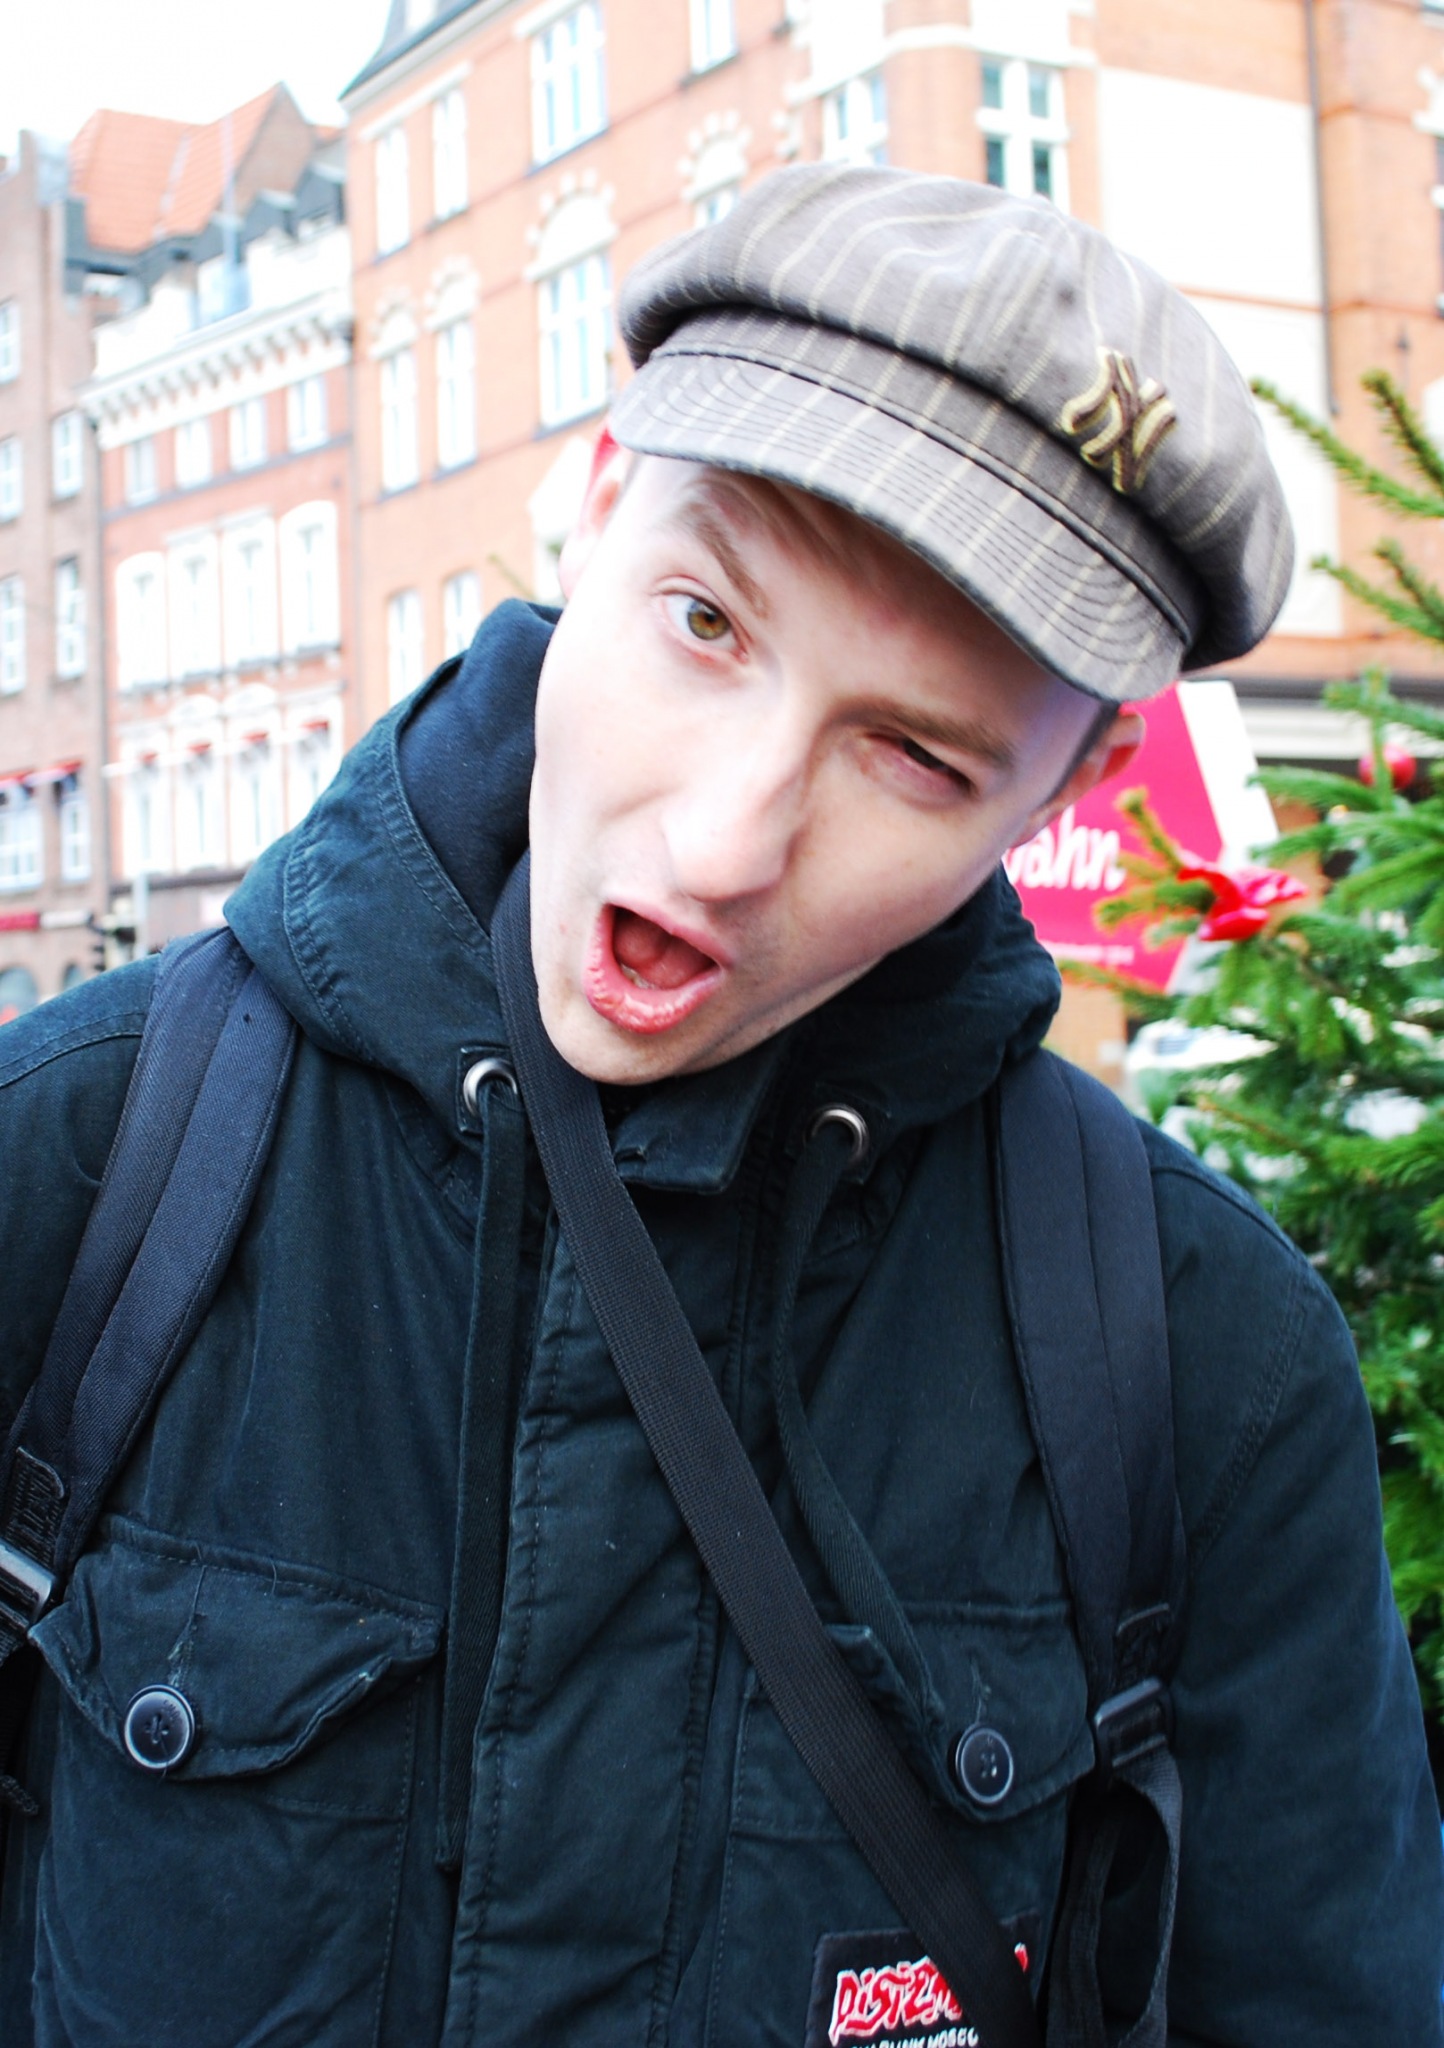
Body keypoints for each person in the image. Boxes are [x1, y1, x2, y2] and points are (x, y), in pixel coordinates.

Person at [0, 165, 1440, 2046]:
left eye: (914, 757)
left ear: (1072, 782)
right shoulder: (79, 1163)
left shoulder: (1202, 1359)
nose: (723, 840)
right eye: (704, 622)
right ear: (600, 501)